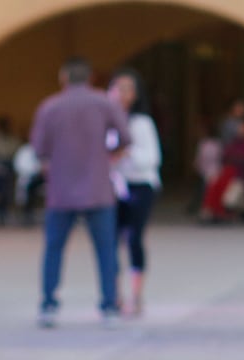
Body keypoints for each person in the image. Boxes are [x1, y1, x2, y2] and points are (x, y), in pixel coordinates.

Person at [30, 56, 130, 328]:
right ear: (90, 77)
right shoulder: (104, 103)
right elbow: (125, 136)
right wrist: (107, 154)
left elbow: (39, 148)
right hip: (98, 188)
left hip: (61, 190)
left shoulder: (50, 106)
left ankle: (49, 304)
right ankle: (109, 305)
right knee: (106, 250)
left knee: (54, 248)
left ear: (63, 77)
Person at [109, 69, 162, 317]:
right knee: (110, 241)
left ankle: (136, 294)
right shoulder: (106, 121)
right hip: (113, 185)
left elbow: (151, 158)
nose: (121, 93)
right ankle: (114, 294)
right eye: (117, 87)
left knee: (134, 239)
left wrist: (126, 153)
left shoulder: (141, 123)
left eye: (127, 88)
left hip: (139, 185)